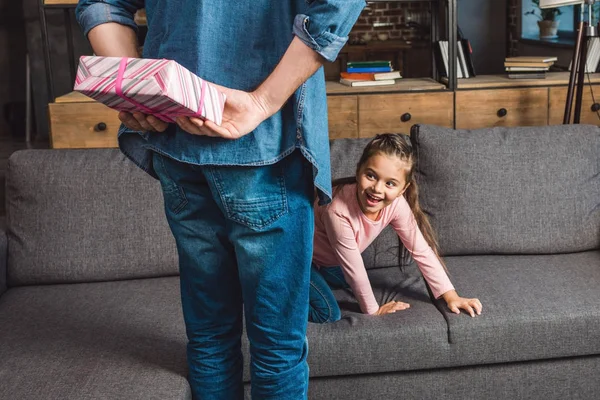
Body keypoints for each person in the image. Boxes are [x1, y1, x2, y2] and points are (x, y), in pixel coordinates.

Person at [75, 1, 365, 399]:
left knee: (210, 338)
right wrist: (263, 101)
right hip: (264, 148)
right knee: (277, 348)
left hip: (176, 144)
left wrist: (134, 87)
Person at [309, 133, 483, 323]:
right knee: (328, 313)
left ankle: (313, 281)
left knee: (346, 280)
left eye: (390, 183)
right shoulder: (337, 211)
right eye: (371, 176)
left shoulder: (397, 204)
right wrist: (373, 311)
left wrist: (451, 296)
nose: (377, 188)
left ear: (403, 189)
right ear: (359, 171)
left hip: (327, 262)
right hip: (301, 260)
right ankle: (278, 295)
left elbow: (421, 250)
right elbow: (355, 270)